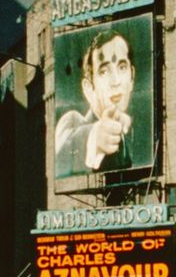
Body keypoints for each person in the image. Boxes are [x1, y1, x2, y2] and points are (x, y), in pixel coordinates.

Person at [56, 29, 136, 176]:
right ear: (88, 88)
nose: (116, 81)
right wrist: (93, 137)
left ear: (132, 77)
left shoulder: (129, 133)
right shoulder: (73, 121)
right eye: (104, 71)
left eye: (122, 67)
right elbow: (60, 158)